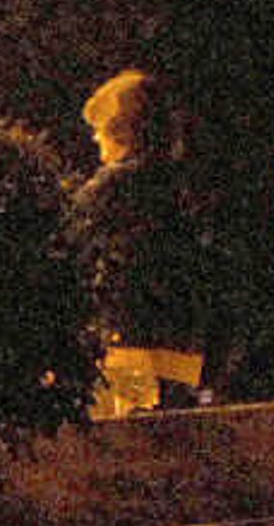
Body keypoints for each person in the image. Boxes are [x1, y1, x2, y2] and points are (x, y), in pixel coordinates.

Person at [68, 69, 226, 413]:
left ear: (121, 128)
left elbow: (70, 236)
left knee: (133, 439)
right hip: (181, 343)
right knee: (175, 434)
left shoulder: (112, 188)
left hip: (131, 342)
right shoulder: (179, 183)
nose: (95, 140)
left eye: (98, 130)